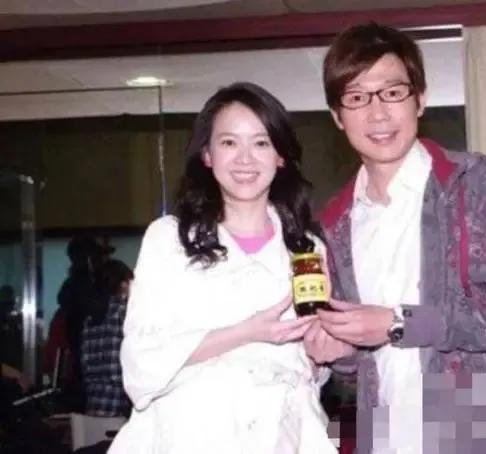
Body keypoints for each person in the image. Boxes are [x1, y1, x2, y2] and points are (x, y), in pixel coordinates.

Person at [304, 23, 486, 453]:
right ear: (337, 116)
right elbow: (365, 366)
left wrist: (399, 323)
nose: (378, 114)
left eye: (392, 92)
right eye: (357, 98)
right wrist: (340, 350)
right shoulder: (334, 224)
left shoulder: (471, 183)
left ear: (419, 99)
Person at [109, 82, 337, 454]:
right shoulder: (169, 240)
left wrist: (322, 351)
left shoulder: (308, 249)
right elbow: (141, 360)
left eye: (261, 143)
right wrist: (247, 332)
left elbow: (311, 370)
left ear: (281, 156)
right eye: (229, 142)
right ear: (207, 154)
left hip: (283, 437)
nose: (245, 159)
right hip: (191, 435)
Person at [44, 234, 114, 412]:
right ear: (88, 259)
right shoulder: (89, 291)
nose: (103, 262)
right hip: (89, 378)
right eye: (98, 257)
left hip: (82, 377)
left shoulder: (73, 290)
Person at [80, 259, 133, 418]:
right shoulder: (125, 312)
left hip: (94, 403)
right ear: (124, 285)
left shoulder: (90, 318)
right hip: (120, 406)